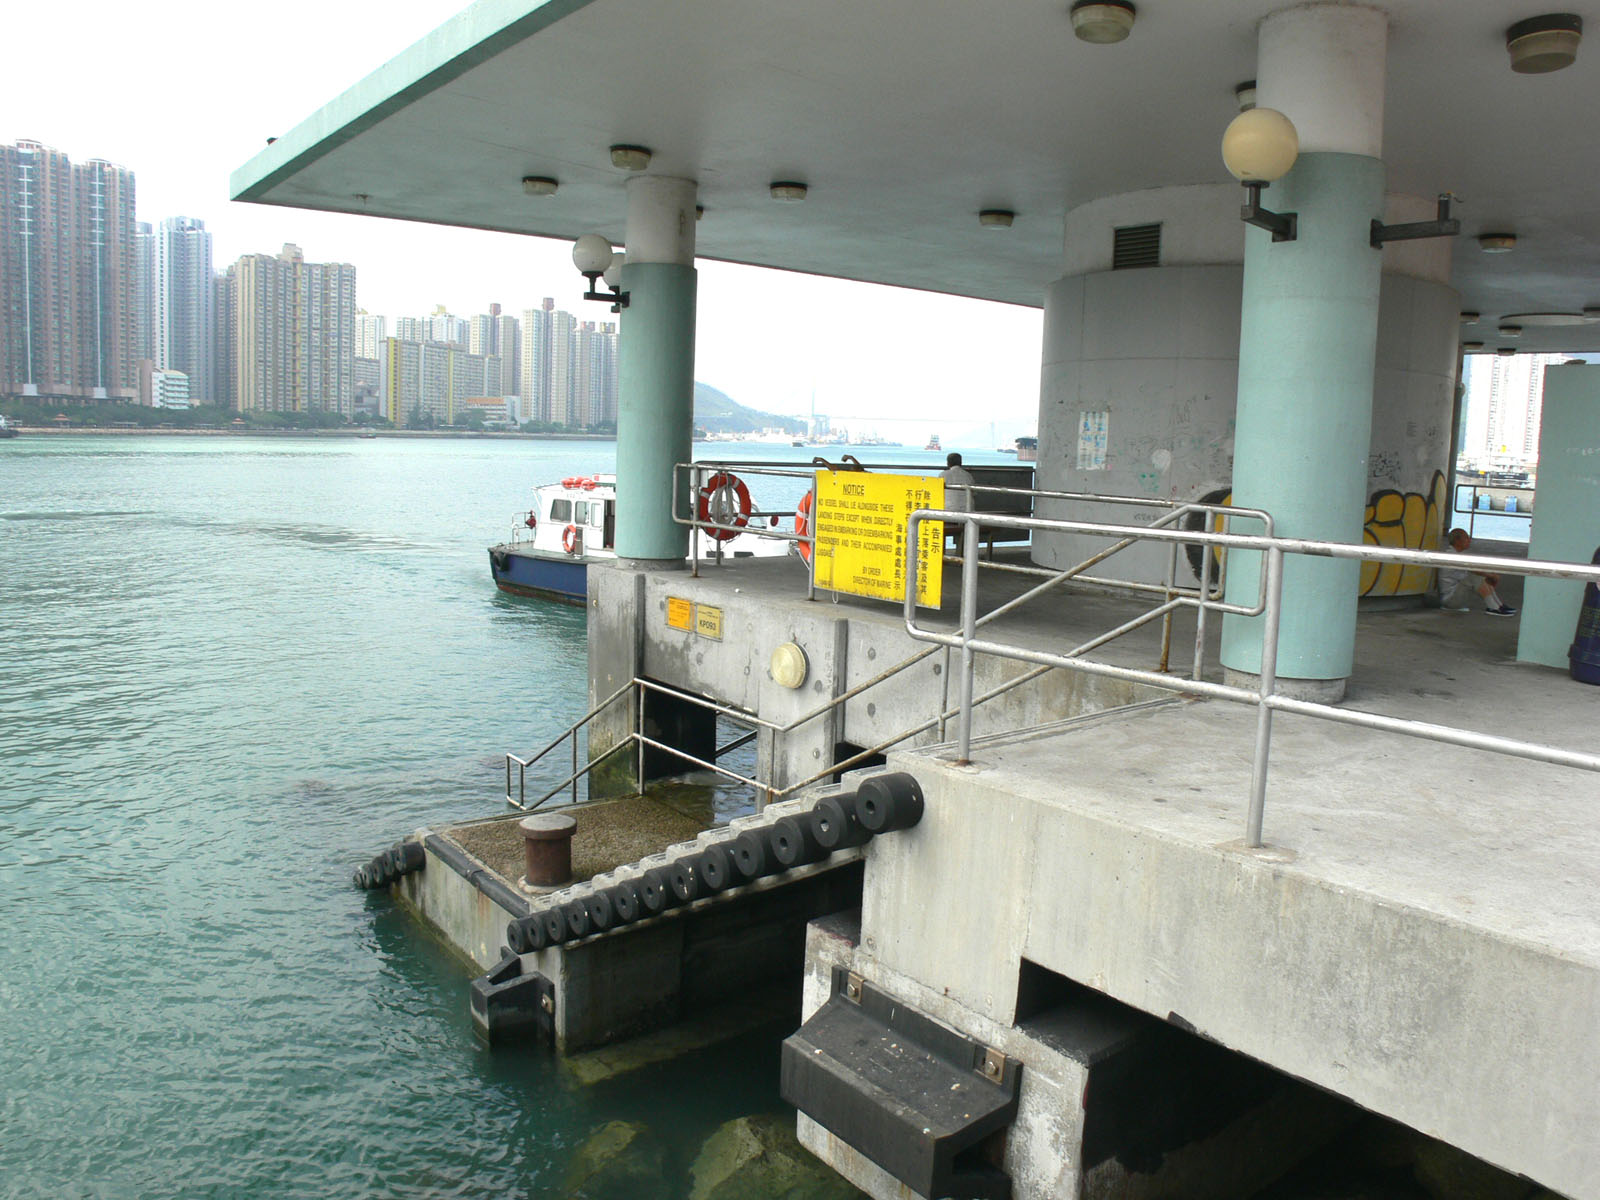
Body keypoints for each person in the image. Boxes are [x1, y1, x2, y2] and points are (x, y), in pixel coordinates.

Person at [1438, 527, 1517, 616]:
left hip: (1456, 597)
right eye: (1466, 538)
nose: (1469, 540)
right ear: (1457, 541)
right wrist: (1491, 576)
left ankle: (1499, 605)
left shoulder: (1459, 554)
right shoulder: (1451, 555)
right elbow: (1473, 570)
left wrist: (1489, 575)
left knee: (1481, 577)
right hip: (1450, 601)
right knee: (1474, 577)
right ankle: (1493, 607)